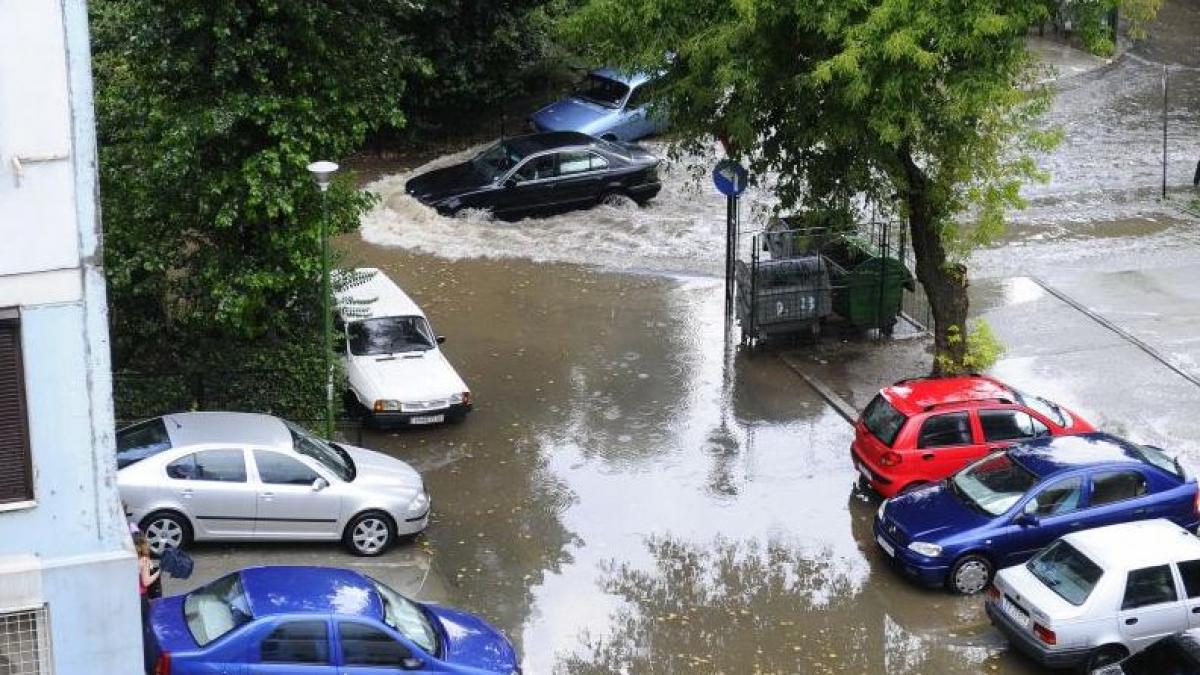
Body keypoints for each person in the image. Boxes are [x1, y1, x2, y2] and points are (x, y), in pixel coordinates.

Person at [135, 534, 160, 674]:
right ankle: (150, 665)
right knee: (146, 630)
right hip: (142, 598)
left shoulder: (131, 559)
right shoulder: (143, 560)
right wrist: (158, 572)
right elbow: (146, 582)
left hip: (133, 598)